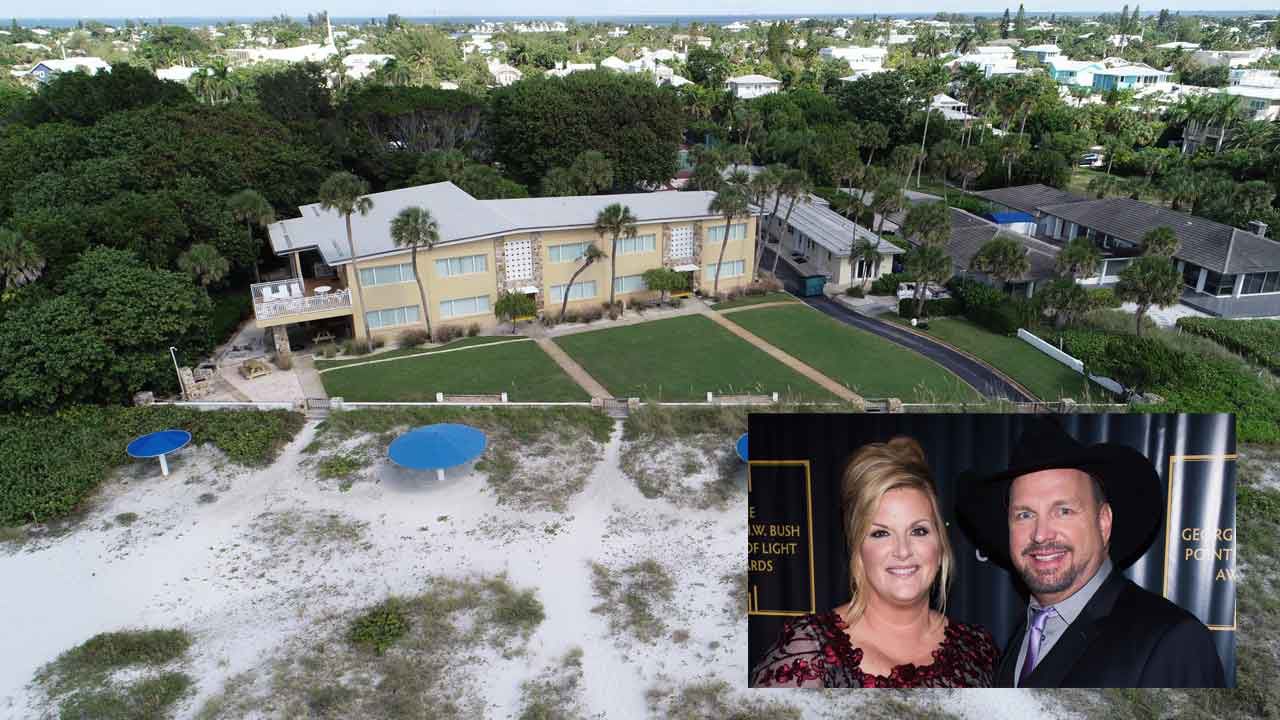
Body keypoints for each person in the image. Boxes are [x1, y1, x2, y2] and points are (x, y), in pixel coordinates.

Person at [956, 417, 1227, 688]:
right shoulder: (1024, 634)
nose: (1040, 534)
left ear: (1104, 522)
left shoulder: (1172, 642)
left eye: (1063, 511)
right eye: (1025, 514)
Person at [751, 437, 998, 688]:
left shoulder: (978, 649)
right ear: (858, 547)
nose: (903, 551)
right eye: (880, 533)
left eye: (919, 531)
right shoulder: (809, 652)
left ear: (941, 543)